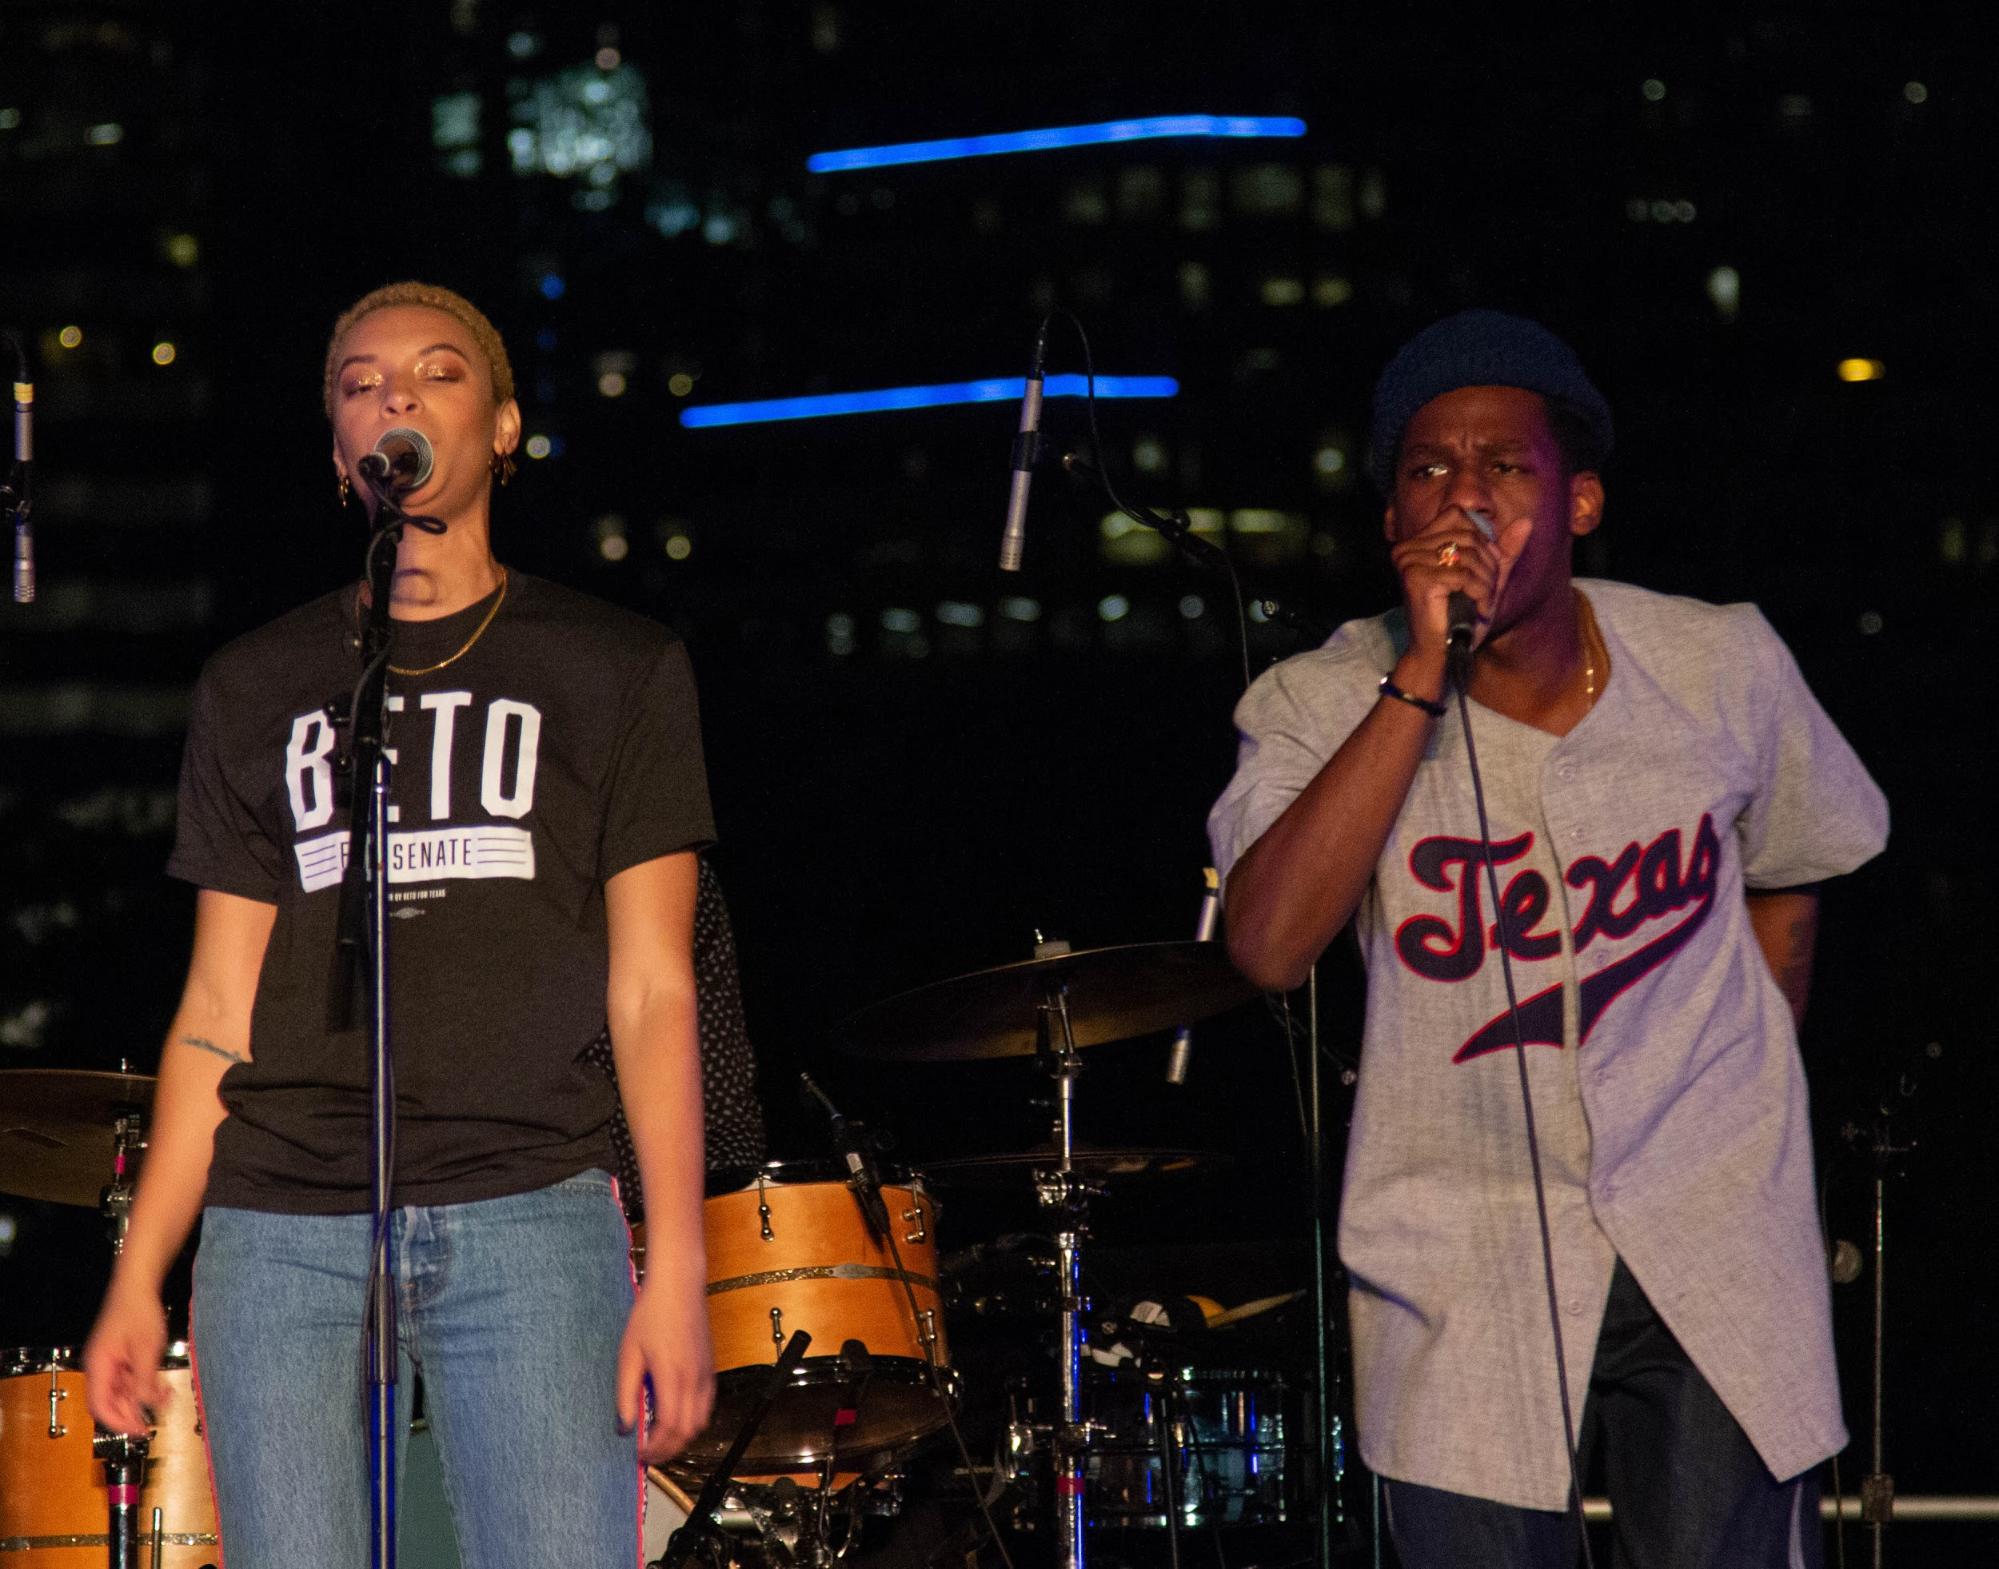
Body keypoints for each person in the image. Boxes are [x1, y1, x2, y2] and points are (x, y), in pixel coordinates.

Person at [1208, 310, 1888, 1567]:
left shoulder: (1718, 661)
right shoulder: (1313, 700)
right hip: (1456, 1250)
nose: (1464, 495)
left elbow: (1794, 866)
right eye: (1426, 470)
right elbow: (1263, 945)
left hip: (1710, 1234)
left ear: (1578, 503)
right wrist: (1419, 671)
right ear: (1390, 526)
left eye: (1505, 466)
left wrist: (1745, 1088)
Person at [83, 280, 716, 1567]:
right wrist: (138, 1277)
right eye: (364, 384)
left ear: (500, 428)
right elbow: (216, 1012)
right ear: (338, 453)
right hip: (279, 1230)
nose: (398, 400)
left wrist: (681, 1275)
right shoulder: (258, 687)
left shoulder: (614, 668)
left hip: (530, 1210)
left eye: (436, 375)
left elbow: (654, 989)